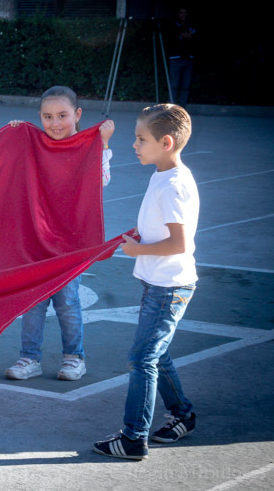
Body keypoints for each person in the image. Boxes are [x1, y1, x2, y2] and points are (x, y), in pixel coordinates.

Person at [93, 104, 199, 460]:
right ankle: (183, 415)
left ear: (166, 142)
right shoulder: (163, 174)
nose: (134, 144)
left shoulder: (173, 185)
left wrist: (139, 249)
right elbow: (162, 229)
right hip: (159, 284)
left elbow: (180, 244)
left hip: (169, 288)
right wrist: (140, 235)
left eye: (141, 139)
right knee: (157, 353)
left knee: (142, 359)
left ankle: (134, 437)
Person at [4, 86, 114, 381]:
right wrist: (17, 133)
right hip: (37, 238)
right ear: (39, 117)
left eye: (62, 116)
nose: (55, 123)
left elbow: (100, 181)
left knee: (67, 300)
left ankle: (74, 357)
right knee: (33, 301)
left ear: (77, 115)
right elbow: (13, 166)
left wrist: (101, 144)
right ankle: (29, 358)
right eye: (47, 116)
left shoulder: (88, 147)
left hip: (71, 241)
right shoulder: (36, 144)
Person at [166, 7, 196, 109]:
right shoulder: (172, 25)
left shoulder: (190, 25)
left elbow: (193, 37)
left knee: (186, 85)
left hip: (188, 58)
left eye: (185, 13)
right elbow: (174, 37)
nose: (183, 15)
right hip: (176, 58)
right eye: (181, 13)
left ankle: (183, 108)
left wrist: (187, 36)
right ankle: (172, 108)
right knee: (174, 85)